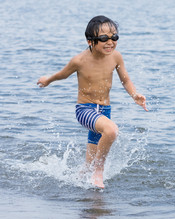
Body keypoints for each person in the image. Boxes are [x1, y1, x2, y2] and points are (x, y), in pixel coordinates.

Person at [37, 15, 148, 188]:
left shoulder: (116, 57)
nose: (110, 42)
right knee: (111, 130)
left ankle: (84, 188)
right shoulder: (79, 61)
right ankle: (99, 169)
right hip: (85, 109)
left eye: (114, 37)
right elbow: (63, 74)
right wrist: (48, 80)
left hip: (105, 110)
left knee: (86, 167)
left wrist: (135, 95)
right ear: (90, 41)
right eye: (104, 38)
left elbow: (125, 80)